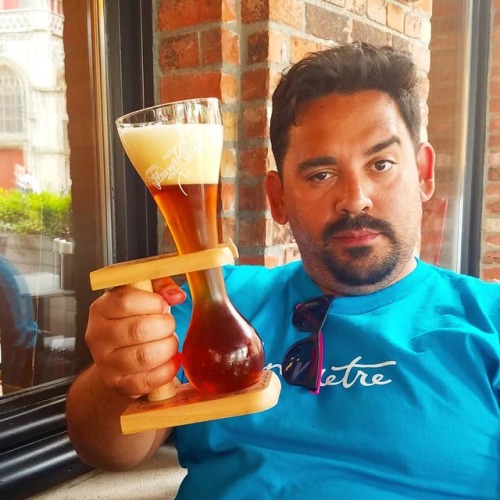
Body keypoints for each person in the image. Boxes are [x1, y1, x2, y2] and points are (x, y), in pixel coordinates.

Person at [66, 42, 500, 498]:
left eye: (382, 164)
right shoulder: (215, 304)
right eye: (320, 174)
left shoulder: (488, 319)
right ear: (278, 198)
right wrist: (118, 375)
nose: (355, 198)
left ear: (424, 172)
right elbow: (108, 450)